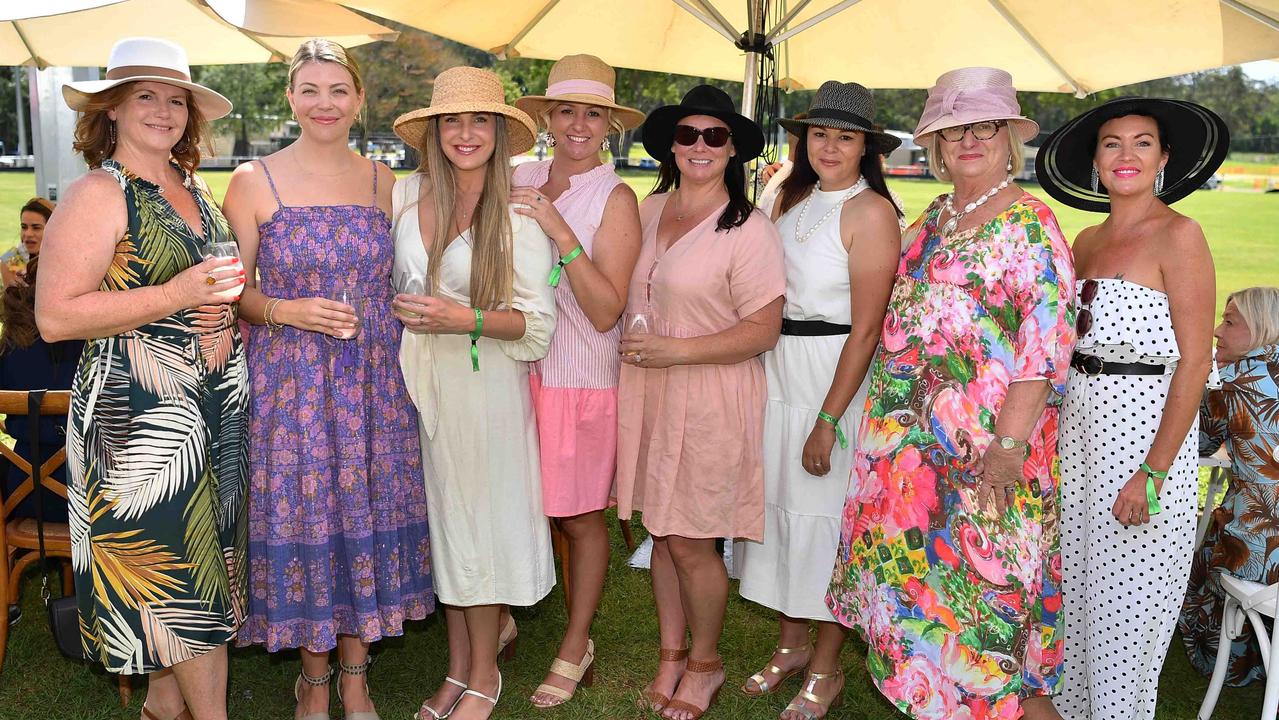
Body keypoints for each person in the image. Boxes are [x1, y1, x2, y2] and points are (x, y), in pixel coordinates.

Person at [826, 68, 1076, 720]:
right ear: (934, 144)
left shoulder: (1031, 223)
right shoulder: (934, 216)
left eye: (982, 126)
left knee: (986, 642)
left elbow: (1042, 350)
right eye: (952, 129)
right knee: (924, 629)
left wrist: (1009, 446)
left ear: (1006, 137)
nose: (967, 140)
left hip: (982, 465)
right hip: (908, 464)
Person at [34, 37, 248, 720]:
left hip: (211, 411)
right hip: (142, 422)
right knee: (182, 588)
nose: (163, 110)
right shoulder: (100, 191)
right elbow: (55, 318)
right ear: (114, 110)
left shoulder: (195, 188)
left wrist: (219, 308)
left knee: (204, 572)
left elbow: (209, 289)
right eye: (145, 96)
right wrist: (179, 294)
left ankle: (162, 708)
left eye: (175, 98)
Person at [222, 39, 434, 720]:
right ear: (290, 98)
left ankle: (354, 676)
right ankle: (312, 681)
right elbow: (232, 293)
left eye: (338, 90)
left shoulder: (385, 182)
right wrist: (283, 308)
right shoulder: (254, 180)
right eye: (309, 89)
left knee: (362, 517)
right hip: (292, 383)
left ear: (359, 100)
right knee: (311, 515)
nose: (324, 103)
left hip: (374, 383)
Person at [1035, 96, 1227, 720]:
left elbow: (1195, 363)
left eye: (1142, 143)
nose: (1126, 155)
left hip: (1144, 446)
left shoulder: (1181, 235)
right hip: (1078, 437)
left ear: (1164, 158)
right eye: (1112, 143)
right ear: (1095, 160)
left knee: (1125, 612)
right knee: (1078, 600)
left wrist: (1154, 470)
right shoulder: (1085, 240)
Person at [733, 81, 904, 720]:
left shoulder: (871, 213)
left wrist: (829, 419)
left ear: (867, 148)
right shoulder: (789, 196)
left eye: (846, 136)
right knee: (781, 513)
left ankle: (827, 669)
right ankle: (791, 644)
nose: (830, 146)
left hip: (834, 375)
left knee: (827, 524)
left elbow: (867, 328)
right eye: (820, 133)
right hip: (779, 370)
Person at [389, 66, 556, 720]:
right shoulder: (407, 204)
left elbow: (536, 327)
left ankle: (485, 674)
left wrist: (467, 318)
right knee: (447, 531)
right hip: (419, 388)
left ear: (499, 133)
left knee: (481, 532)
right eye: (452, 120)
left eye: (479, 120)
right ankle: (458, 667)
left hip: (485, 388)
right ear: (433, 131)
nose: (465, 133)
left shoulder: (518, 216)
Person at [616, 84, 784, 720]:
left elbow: (761, 330)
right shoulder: (648, 207)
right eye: (688, 135)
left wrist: (675, 351)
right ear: (671, 145)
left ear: (734, 147)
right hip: (649, 393)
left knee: (691, 541)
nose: (700, 146)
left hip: (711, 393)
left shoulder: (749, 228)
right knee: (661, 533)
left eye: (715, 135)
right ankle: (669, 653)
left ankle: (706, 662)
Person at [510, 54, 644, 708]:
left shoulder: (615, 199)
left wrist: (558, 228)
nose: (578, 124)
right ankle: (505, 606)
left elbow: (604, 309)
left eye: (594, 113)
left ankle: (577, 639)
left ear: (611, 125)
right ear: (546, 117)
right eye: (566, 110)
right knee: (521, 503)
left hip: (578, 377)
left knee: (578, 514)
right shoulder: (521, 175)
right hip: (511, 369)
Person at [1180, 286, 1279, 688]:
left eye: (1230, 322)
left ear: (1260, 330)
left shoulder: (1232, 381)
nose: (1218, 332)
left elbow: (1198, 443)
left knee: (1208, 550)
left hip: (1263, 545)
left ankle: (1235, 660)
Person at [1, 197, 54, 288]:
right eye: (24, 227)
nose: (28, 234)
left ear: (52, 229)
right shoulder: (12, 259)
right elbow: (14, 301)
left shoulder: (62, 257)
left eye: (36, 227)